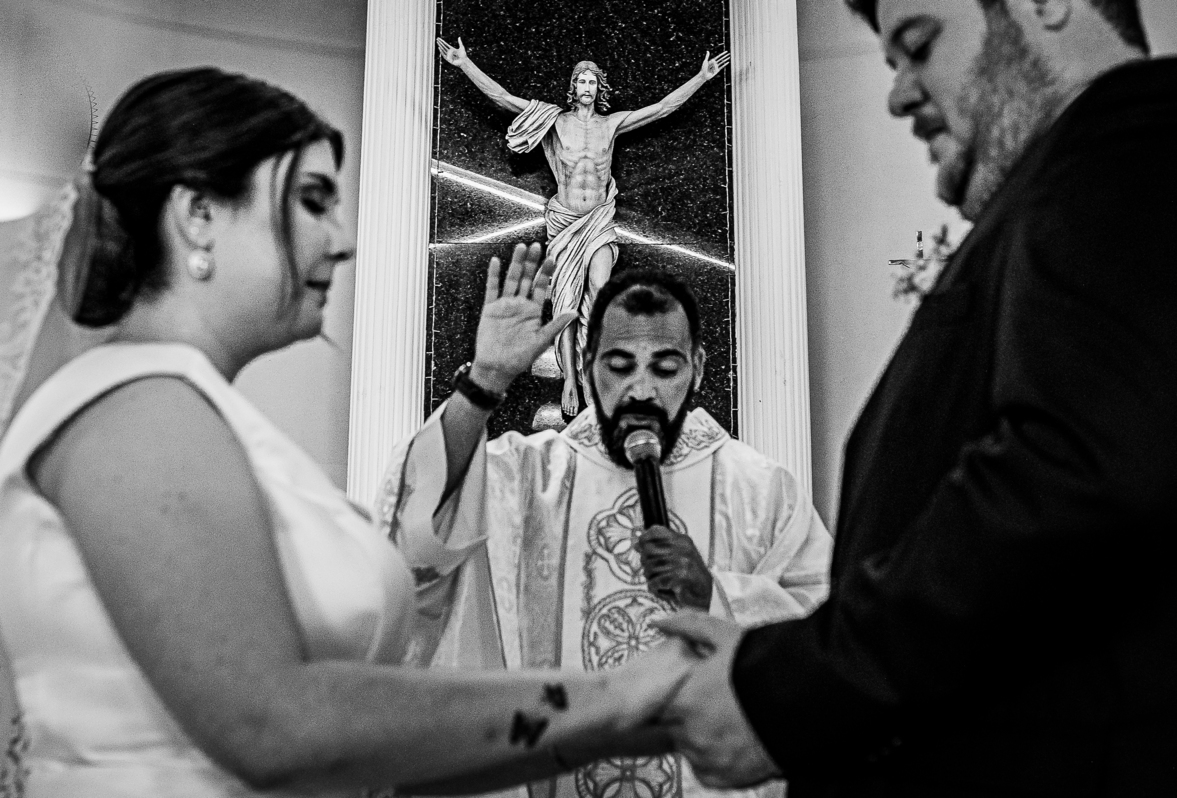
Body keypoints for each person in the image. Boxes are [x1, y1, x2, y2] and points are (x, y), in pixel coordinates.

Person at [0, 67, 694, 797]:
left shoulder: (201, 414)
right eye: (312, 202)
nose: (341, 242)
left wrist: (484, 384)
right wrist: (621, 698)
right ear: (198, 215)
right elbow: (273, 725)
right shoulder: (139, 412)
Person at [655, 0, 1177, 795]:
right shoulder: (1064, 187)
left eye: (919, 45)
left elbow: (1079, 472)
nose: (899, 94)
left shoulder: (1134, 138)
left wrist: (797, 691)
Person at [380, 261, 832, 798]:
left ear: (699, 368)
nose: (641, 390)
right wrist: (486, 381)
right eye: (620, 366)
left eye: (665, 368)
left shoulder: (760, 491)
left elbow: (826, 639)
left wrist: (717, 593)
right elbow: (414, 536)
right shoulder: (527, 475)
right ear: (589, 364)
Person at [435, 37, 730, 415]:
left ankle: (595, 370)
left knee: (600, 287)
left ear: (598, 88)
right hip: (566, 221)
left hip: (599, 220)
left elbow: (661, 108)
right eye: (581, 82)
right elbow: (505, 99)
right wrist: (465, 64)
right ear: (572, 89)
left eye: (592, 82)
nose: (587, 88)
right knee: (566, 301)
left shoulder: (610, 125)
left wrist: (702, 78)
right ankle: (571, 379)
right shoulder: (555, 122)